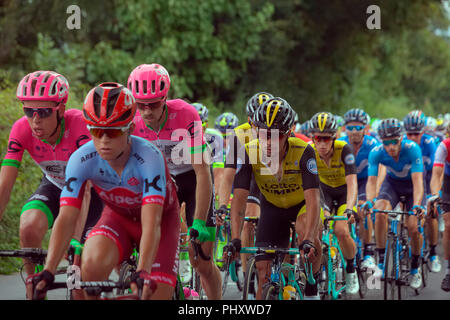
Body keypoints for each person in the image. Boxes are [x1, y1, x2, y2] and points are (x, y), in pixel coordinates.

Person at [29, 82, 180, 300]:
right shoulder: (81, 159)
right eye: (96, 131)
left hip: (161, 224)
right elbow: (66, 218)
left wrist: (143, 270)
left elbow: (152, 221)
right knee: (90, 267)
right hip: (117, 219)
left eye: (113, 131)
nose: (104, 140)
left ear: (130, 128)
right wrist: (48, 270)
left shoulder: (149, 157)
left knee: (152, 294)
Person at [0, 70, 102, 299]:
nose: (35, 119)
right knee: (28, 225)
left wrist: (73, 241)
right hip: (55, 185)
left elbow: (83, 189)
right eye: (29, 111)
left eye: (44, 112)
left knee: (79, 284)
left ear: (61, 110)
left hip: (91, 193)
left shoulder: (79, 127)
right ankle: (34, 285)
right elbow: (4, 186)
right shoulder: (21, 129)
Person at [128, 64, 221, 299]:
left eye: (154, 104)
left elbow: (202, 171)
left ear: (165, 98)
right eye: (141, 105)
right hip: (162, 180)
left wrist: (199, 221)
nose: (147, 112)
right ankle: (179, 290)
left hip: (192, 178)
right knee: (154, 243)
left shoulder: (186, 114)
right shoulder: (132, 121)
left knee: (201, 261)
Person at [228, 97, 322, 300]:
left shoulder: (304, 151)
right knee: (264, 270)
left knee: (308, 235)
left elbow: (313, 199)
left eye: (275, 136)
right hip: (272, 207)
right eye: (263, 135)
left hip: (302, 206)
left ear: (287, 133)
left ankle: (312, 289)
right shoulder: (249, 152)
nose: (268, 142)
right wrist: (235, 237)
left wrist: (308, 239)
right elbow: (239, 199)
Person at [363, 118, 426, 289]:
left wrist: (417, 205)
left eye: (394, 142)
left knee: (413, 226)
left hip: (413, 186)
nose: (390, 147)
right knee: (380, 212)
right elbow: (371, 181)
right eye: (386, 143)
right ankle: (382, 260)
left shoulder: (412, 149)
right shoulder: (376, 152)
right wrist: (369, 201)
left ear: (401, 138)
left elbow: (418, 182)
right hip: (392, 185)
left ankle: (414, 266)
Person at [218, 92, 273, 276]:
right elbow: (228, 177)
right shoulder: (239, 135)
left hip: (273, 179)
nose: (258, 127)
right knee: (248, 220)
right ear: (249, 119)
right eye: (254, 122)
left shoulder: (279, 134)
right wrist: (222, 206)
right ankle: (248, 275)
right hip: (250, 177)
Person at [309, 112, 360, 295]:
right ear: (312, 138)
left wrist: (349, 209)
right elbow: (310, 186)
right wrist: (321, 208)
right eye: (317, 138)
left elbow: (353, 181)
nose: (322, 143)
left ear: (334, 137)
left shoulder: (344, 149)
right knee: (317, 227)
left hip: (344, 192)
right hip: (324, 192)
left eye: (326, 139)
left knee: (340, 230)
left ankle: (351, 268)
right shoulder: (309, 151)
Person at [339, 108, 381, 270]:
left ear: (365, 128)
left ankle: (369, 252)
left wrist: (373, 196)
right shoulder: (341, 144)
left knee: (364, 209)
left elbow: (377, 173)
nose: (354, 131)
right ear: (344, 129)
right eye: (350, 127)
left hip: (365, 181)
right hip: (345, 182)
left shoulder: (373, 145)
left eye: (358, 127)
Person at [403, 111, 441, 273]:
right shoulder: (402, 143)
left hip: (427, 179)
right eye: (409, 133)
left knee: (431, 214)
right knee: (407, 217)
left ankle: (433, 252)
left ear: (422, 133)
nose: (412, 137)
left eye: (416, 134)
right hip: (409, 181)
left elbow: (436, 172)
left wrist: (433, 195)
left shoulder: (430, 143)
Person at [429, 134, 450, 291]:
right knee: (449, 224)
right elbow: (436, 175)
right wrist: (436, 195)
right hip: (449, 183)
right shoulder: (444, 145)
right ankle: (449, 271)